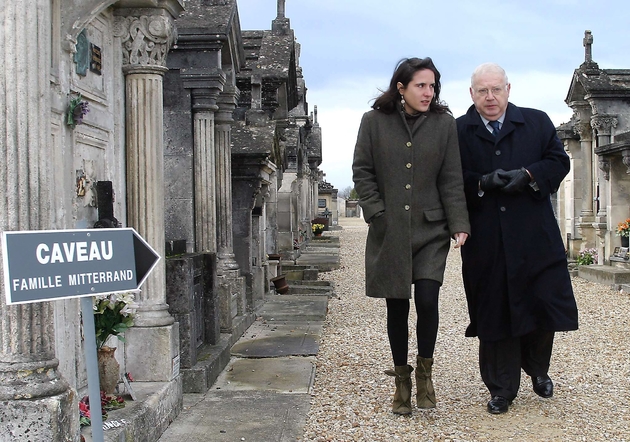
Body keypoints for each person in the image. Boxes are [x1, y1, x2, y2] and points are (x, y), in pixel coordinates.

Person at [456, 62, 579, 415]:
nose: (490, 97)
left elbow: (559, 161)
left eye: (496, 89)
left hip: (534, 236)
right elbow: (450, 177)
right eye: (483, 91)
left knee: (542, 304)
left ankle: (537, 368)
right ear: (472, 94)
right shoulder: (459, 130)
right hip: (487, 240)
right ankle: (501, 388)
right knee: (493, 312)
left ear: (508, 90)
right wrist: (481, 182)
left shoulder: (537, 121)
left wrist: (528, 175)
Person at [352, 57, 470, 415]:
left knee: (429, 300)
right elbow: (363, 171)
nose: (428, 92)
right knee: (397, 305)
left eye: (432, 86)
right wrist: (376, 213)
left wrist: (458, 223)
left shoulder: (444, 124)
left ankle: (425, 374)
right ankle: (401, 380)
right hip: (391, 230)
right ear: (401, 88)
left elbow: (451, 177)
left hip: (431, 228)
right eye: (421, 85)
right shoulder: (373, 122)